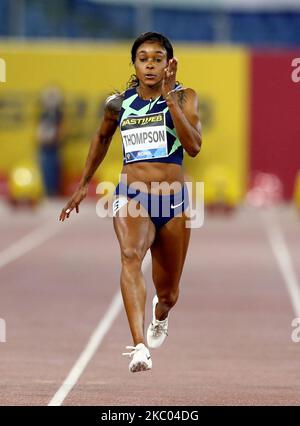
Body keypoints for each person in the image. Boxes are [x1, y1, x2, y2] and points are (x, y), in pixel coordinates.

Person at [59, 32, 202, 373]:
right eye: (143, 58)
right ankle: (139, 346)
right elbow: (102, 136)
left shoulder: (184, 97)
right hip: (131, 195)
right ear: (134, 64)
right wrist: (82, 185)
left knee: (168, 294)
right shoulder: (118, 104)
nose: (150, 65)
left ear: (169, 63)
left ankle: (160, 314)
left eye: (157, 58)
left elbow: (194, 146)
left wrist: (168, 97)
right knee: (129, 256)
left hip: (173, 202)